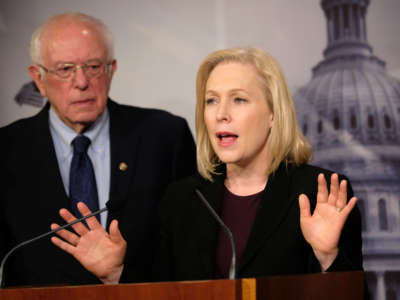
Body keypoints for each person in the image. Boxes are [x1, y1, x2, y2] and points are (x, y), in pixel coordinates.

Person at [50, 47, 363, 284]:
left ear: (273, 113)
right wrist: (117, 273)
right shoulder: (183, 199)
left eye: (238, 99)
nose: (220, 113)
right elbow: (163, 292)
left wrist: (327, 257)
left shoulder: (321, 193)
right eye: (211, 100)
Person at [0, 12, 196, 287]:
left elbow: (191, 255)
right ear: (39, 78)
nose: (81, 82)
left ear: (111, 69)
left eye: (93, 67)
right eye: (65, 69)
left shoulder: (164, 138)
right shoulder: (6, 150)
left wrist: (120, 276)